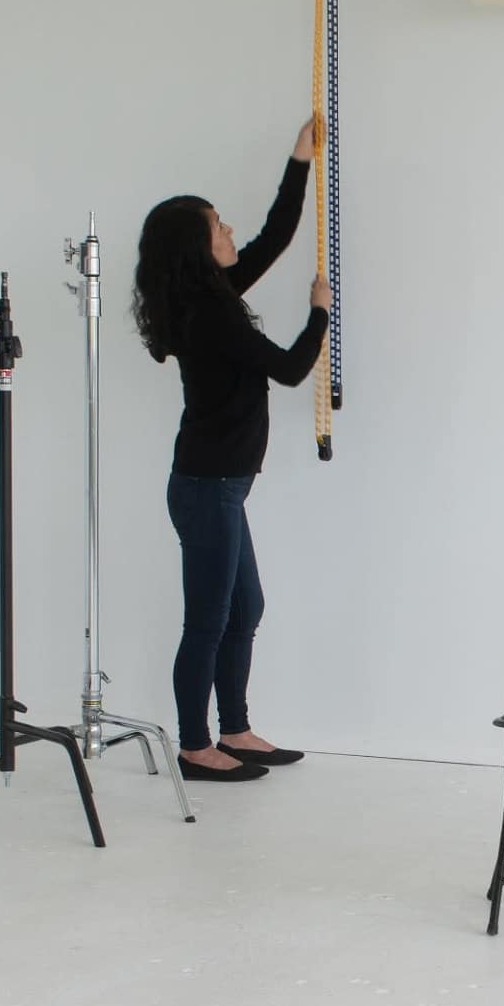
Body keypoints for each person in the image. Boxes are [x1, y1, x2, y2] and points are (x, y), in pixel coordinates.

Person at [132, 116, 329, 782]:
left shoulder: (209, 296)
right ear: (197, 246)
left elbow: (274, 236)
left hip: (220, 486)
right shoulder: (210, 313)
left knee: (244, 609)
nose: (230, 231)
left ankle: (235, 729)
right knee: (209, 621)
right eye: (218, 226)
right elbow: (291, 368)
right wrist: (320, 313)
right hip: (207, 487)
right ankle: (196, 746)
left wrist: (299, 159)